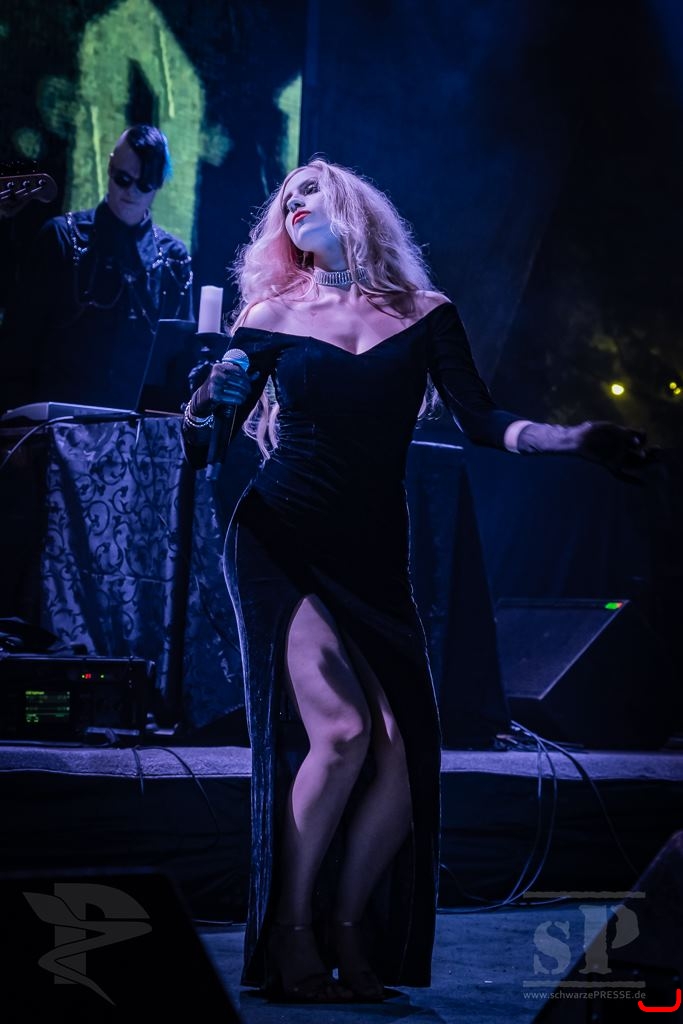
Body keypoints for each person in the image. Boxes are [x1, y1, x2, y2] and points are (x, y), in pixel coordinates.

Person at [180, 158, 647, 1003]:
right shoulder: (271, 315)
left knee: (406, 750)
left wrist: (574, 440)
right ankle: (291, 931)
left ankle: (349, 926)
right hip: (281, 539)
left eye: (310, 190)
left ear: (354, 209)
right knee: (342, 732)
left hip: (372, 551)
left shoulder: (425, 314)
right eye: (286, 200)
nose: (295, 204)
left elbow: (483, 421)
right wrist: (210, 394)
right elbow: (206, 440)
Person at [1, 124, 193, 412]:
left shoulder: (174, 259)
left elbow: (178, 367)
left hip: (134, 431)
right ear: (110, 166)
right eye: (123, 179)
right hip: (55, 426)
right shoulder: (61, 238)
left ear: (159, 183)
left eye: (144, 184)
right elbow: (17, 344)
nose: (131, 192)